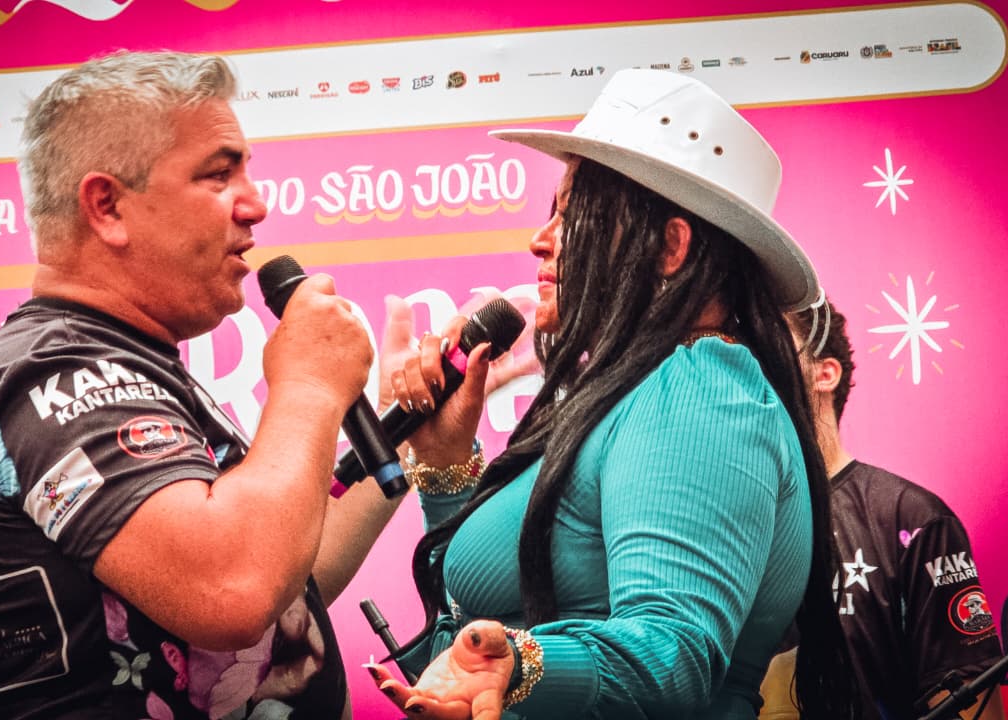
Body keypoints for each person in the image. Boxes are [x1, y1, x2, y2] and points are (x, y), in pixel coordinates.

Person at [0, 50, 405, 718]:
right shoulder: (58, 375)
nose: (256, 204)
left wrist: (413, 440)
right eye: (219, 174)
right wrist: (310, 386)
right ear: (107, 207)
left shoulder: (122, 362)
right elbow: (232, 591)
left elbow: (283, 581)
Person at [364, 68, 860, 719]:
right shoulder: (637, 393)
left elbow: (673, 656)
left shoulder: (700, 394)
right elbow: (483, 624)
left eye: (571, 216)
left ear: (669, 248)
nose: (540, 240)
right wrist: (445, 461)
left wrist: (522, 665)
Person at [759, 300, 1005, 720]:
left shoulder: (913, 518)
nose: (754, 359)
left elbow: (971, 704)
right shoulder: (724, 521)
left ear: (824, 374)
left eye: (772, 344)